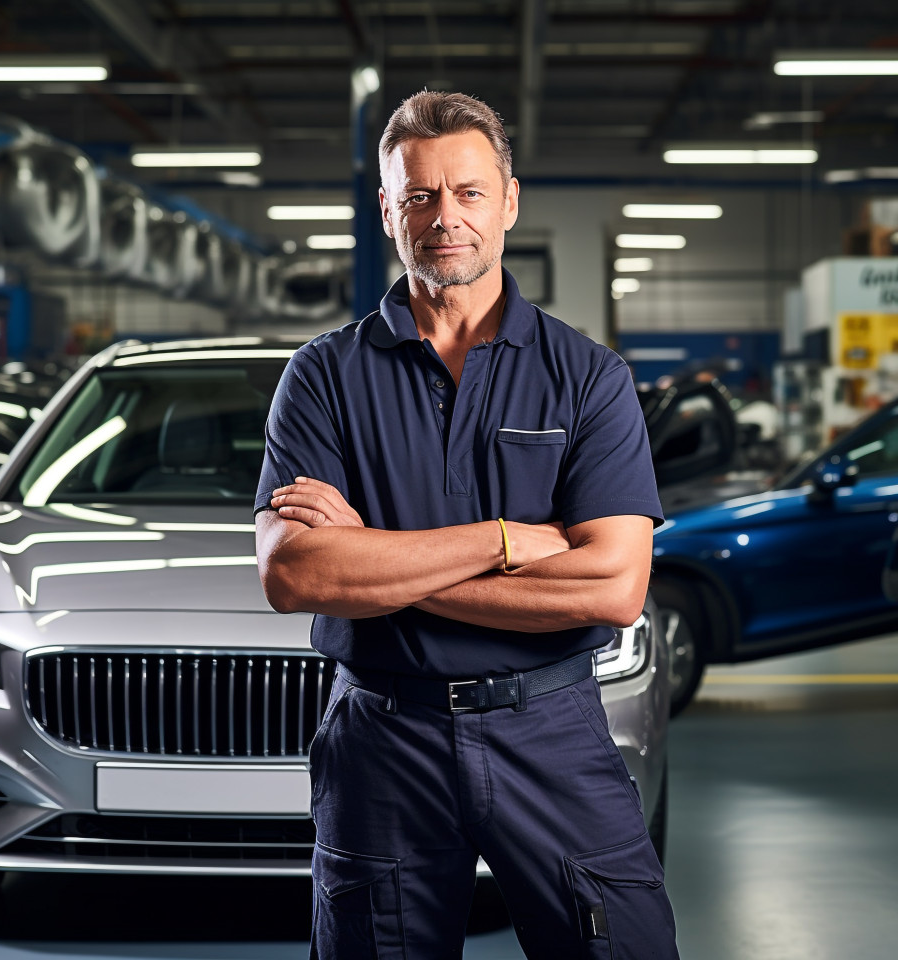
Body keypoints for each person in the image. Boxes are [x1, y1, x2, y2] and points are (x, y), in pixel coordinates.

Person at [254, 90, 679, 960]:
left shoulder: (587, 377)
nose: (445, 217)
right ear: (387, 211)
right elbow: (297, 575)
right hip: (383, 734)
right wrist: (507, 539)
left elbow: (613, 585)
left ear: (508, 202)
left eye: (469, 192)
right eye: (419, 196)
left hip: (548, 726)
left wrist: (377, 565)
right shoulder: (323, 377)